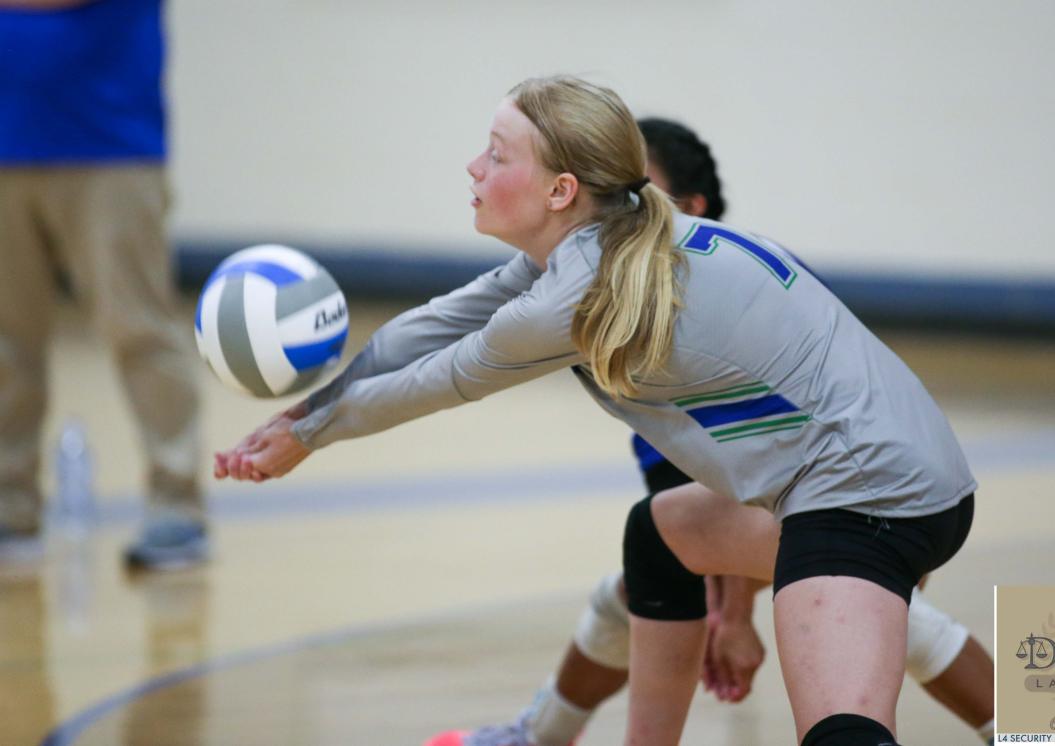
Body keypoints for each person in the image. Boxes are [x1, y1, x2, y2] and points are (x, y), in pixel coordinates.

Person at [216, 76, 977, 745]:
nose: (474, 167)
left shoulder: (580, 295)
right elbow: (430, 329)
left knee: (845, 731)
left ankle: (1054, 725)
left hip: (868, 495)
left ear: (561, 190)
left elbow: (441, 380)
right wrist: (306, 414)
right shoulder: (610, 238)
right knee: (660, 537)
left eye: (496, 154)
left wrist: (305, 437)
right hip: (902, 473)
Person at [423, 118, 995, 746]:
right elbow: (706, 499)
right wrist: (727, 612)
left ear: (688, 208)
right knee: (641, 571)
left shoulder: (725, 310)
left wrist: (736, 617)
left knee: (885, 619)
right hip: (838, 504)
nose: (606, 209)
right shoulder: (623, 307)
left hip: (869, 504)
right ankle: (538, 735)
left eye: (632, 192)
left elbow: (791, 466)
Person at [0, 0, 207, 569]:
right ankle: (9, 503)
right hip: (7, 139)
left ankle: (176, 502)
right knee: (6, 343)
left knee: (139, 331)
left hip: (110, 142)